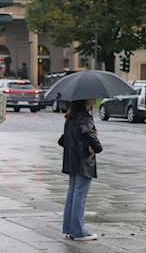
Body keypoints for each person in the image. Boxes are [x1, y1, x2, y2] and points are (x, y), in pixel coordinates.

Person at [58, 98, 102, 241]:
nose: (94, 98)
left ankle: (70, 228)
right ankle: (78, 231)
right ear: (84, 99)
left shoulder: (70, 117)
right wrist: (96, 146)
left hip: (71, 160)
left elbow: (62, 140)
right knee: (79, 195)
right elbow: (87, 133)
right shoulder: (84, 117)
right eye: (91, 96)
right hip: (82, 160)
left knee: (72, 193)